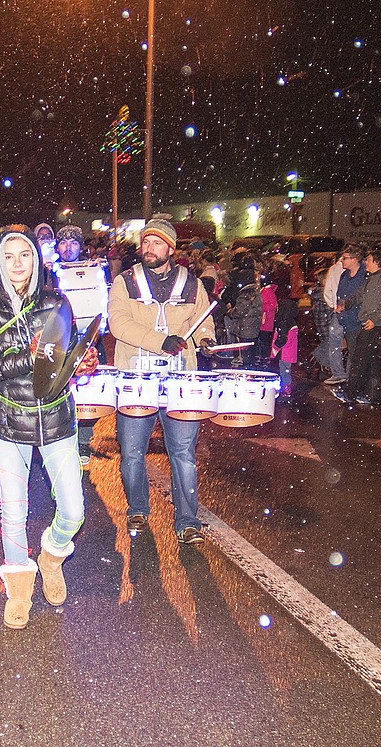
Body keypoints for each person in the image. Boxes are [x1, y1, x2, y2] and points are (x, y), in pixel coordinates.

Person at [0, 226, 85, 630]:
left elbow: (70, 353)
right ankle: (18, 588)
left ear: (37, 260)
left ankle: (51, 556)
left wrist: (82, 365)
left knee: (73, 510)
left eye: (26, 255)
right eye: (10, 256)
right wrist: (27, 359)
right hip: (10, 420)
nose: (18, 264)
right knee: (13, 513)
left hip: (56, 418)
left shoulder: (56, 302)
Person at [108, 217, 217, 546]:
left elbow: (202, 321)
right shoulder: (124, 282)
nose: (148, 248)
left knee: (183, 453)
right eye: (145, 242)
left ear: (170, 248)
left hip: (180, 379)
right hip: (136, 379)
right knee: (131, 453)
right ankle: (137, 507)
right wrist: (160, 341)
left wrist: (208, 340)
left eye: (156, 243)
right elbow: (118, 324)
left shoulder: (192, 284)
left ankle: (187, 520)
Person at [51, 223, 110, 463]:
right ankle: (61, 438)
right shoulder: (49, 271)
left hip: (90, 338)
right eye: (63, 242)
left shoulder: (93, 269)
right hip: (60, 340)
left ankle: (83, 440)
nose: (68, 247)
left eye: (73, 242)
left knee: (88, 393)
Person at [332, 249, 381, 406]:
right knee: (370, 360)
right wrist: (344, 305)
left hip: (374, 325)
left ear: (377, 263)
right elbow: (359, 296)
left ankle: (350, 394)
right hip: (369, 323)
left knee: (359, 359)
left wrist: (374, 319)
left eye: (369, 260)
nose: (366, 262)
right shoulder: (371, 279)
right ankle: (372, 395)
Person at [331, 244, 367, 384]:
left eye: (345, 258)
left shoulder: (364, 275)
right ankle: (346, 378)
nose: (341, 260)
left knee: (355, 352)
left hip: (357, 319)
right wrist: (340, 306)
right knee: (338, 343)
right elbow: (340, 294)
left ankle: (353, 382)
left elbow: (363, 297)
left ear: (354, 259)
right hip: (344, 318)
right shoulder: (344, 275)